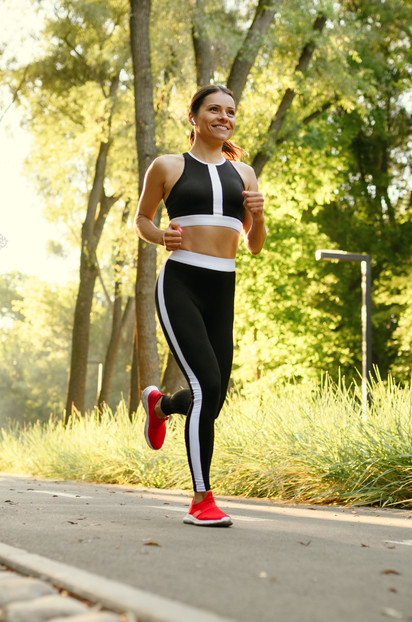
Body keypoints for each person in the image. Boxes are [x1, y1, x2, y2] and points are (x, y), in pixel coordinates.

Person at [133, 84, 267, 527]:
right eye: (214, 109)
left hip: (222, 289)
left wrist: (260, 215)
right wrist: (159, 236)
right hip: (181, 282)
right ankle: (201, 499)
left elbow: (255, 247)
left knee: (212, 397)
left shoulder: (244, 174)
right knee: (206, 384)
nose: (224, 116)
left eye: (230, 111)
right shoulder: (168, 166)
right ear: (194, 116)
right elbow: (142, 219)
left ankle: (163, 406)